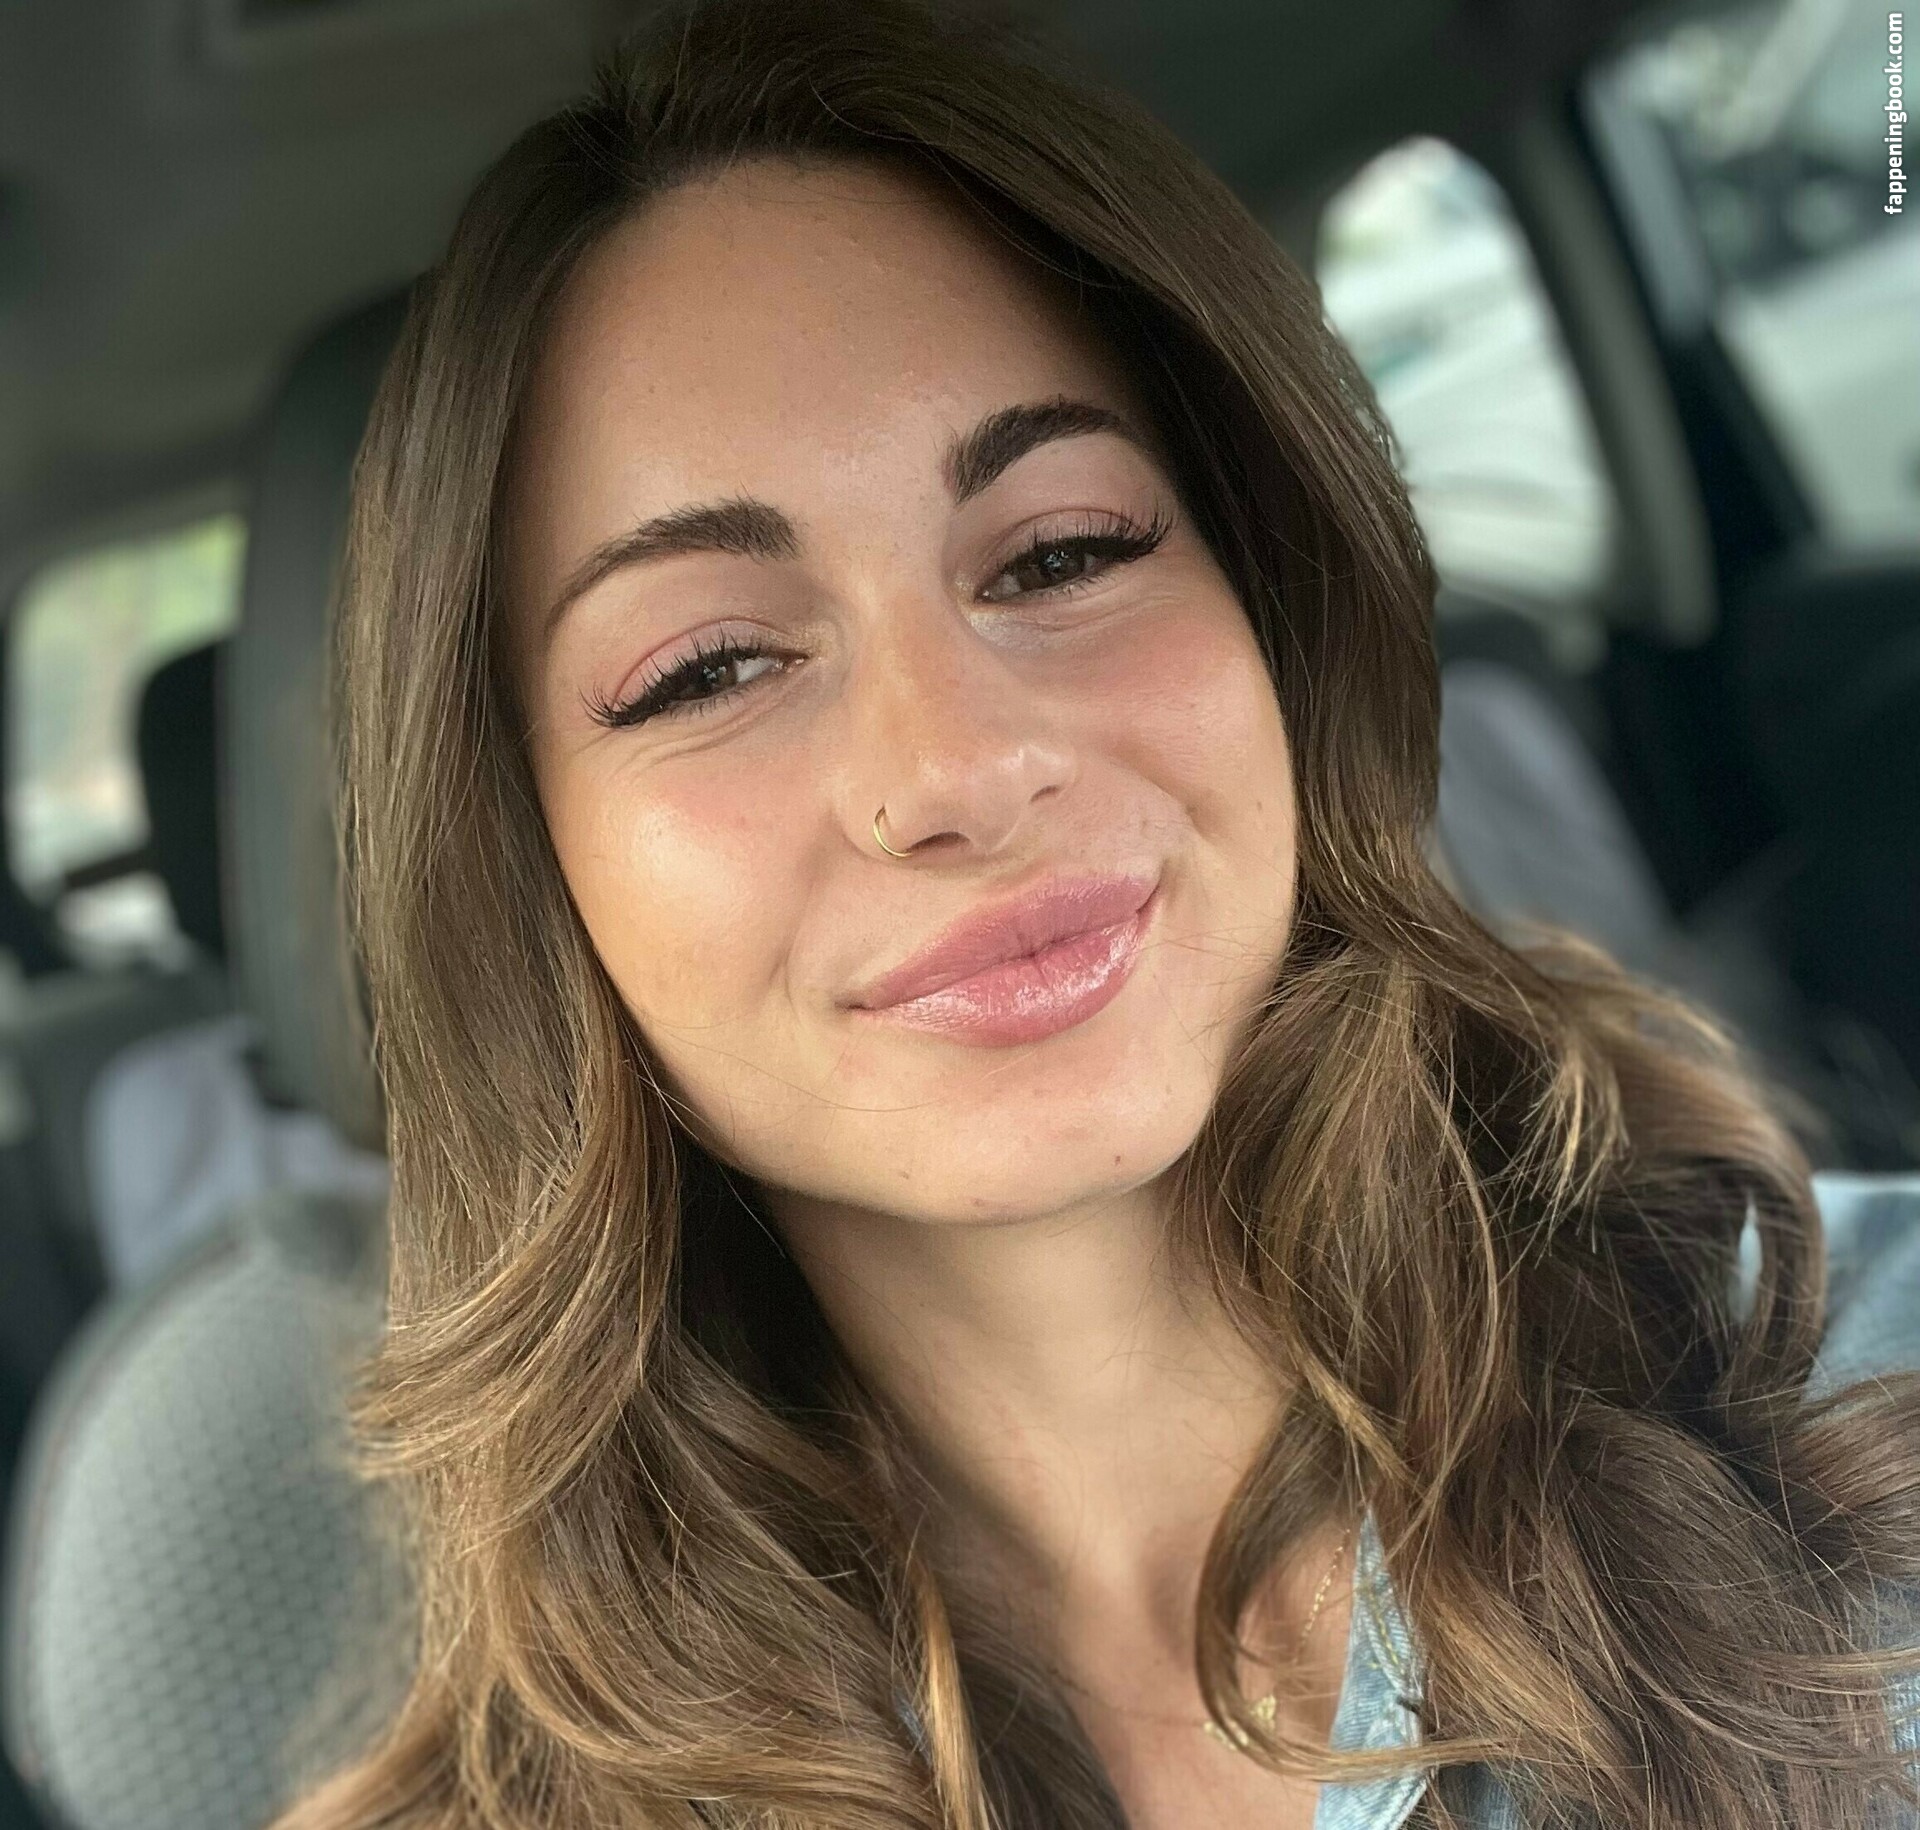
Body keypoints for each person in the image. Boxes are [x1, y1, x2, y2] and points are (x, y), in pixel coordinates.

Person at [275, 0, 1920, 1825]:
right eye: (711, 665)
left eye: (1063, 553)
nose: (961, 764)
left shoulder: (1865, 1417)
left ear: (1272, 617)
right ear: (526, 863)